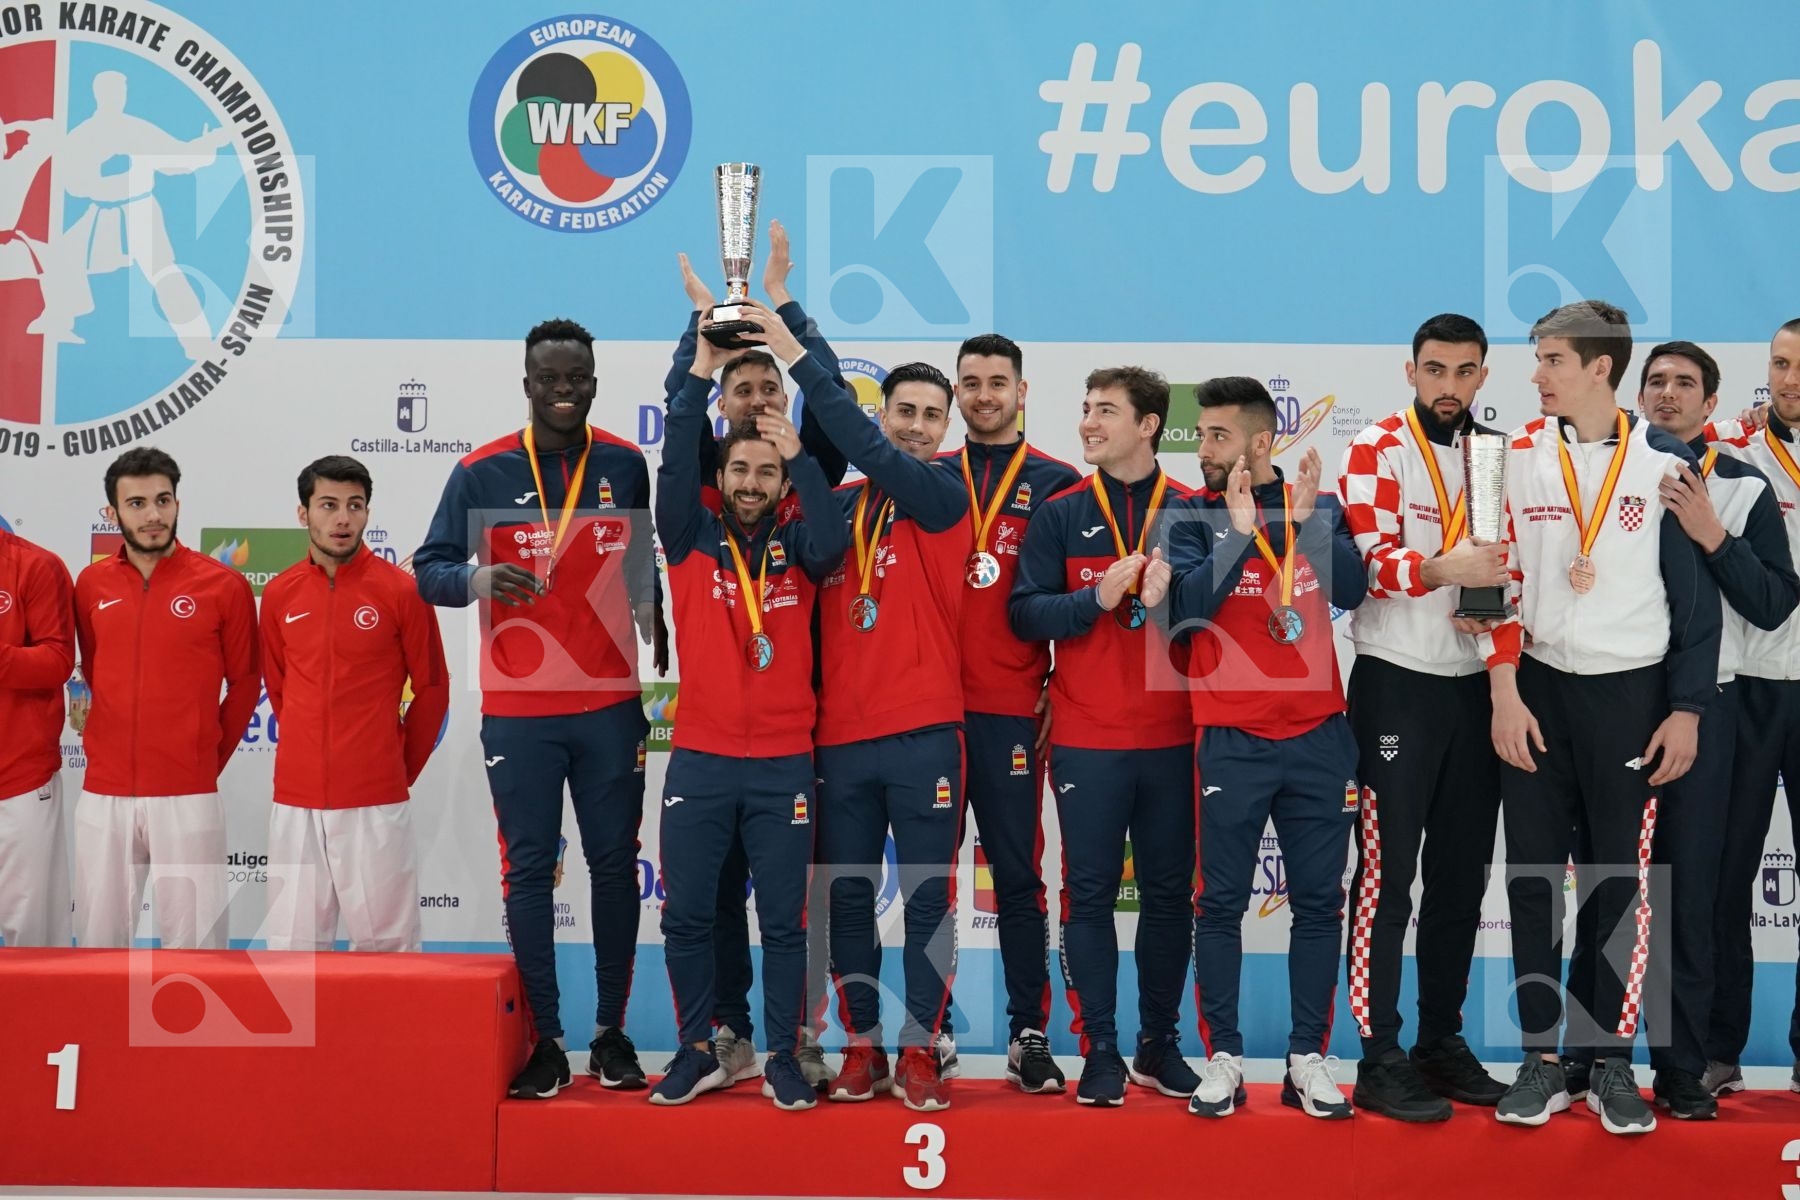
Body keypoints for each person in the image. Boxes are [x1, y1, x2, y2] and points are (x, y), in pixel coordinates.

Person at [1483, 300, 1721, 1136]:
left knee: (1621, 883)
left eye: (1550, 359)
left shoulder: (1665, 459)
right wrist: (1504, 689)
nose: (1536, 373)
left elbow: (1695, 607)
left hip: (1631, 694)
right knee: (1536, 880)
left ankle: (1611, 1062)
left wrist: (1686, 709)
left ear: (1597, 368)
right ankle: (1542, 1061)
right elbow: (1495, 580)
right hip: (1539, 688)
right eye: (1537, 358)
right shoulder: (1515, 455)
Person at [736, 291, 971, 1113]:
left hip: (926, 736)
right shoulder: (834, 510)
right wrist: (793, 316)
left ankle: (918, 1052)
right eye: (901, 411)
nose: (913, 426)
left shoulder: (944, 498)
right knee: (843, 897)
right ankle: (863, 1046)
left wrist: (796, 343)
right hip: (839, 740)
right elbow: (838, 431)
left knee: (930, 901)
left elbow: (855, 428)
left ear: (946, 430)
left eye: (929, 416)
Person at [414, 318, 659, 1100]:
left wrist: (656, 619)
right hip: (520, 708)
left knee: (616, 866)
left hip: (610, 703)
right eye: (550, 377)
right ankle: (546, 1038)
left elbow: (642, 561)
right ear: (527, 384)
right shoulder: (482, 471)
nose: (565, 389)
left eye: (577, 377)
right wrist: (474, 582)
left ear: (593, 380)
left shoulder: (624, 462)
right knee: (528, 869)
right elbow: (429, 568)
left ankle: (611, 1033)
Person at [1558, 341, 1797, 1120]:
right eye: (1655, 381)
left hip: (1708, 708)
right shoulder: (1603, 466)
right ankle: (1588, 1053)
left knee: (1689, 891)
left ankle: (1682, 1066)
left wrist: (1708, 534)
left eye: (1684, 384)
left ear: (1710, 403)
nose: (1666, 394)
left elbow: (1771, 604)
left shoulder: (1740, 486)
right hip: (1612, 701)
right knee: (1609, 884)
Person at [648, 307, 847, 1110]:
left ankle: (784, 1058)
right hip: (700, 756)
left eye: (767, 474)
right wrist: (697, 367)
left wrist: (800, 460)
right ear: (721, 477)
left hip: (782, 764)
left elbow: (831, 539)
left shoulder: (802, 549)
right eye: (741, 472)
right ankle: (698, 1048)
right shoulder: (689, 535)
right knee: (690, 915)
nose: (753, 484)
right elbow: (676, 448)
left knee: (787, 927)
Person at [1159, 377, 1366, 1120]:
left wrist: (1307, 527)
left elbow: (1354, 588)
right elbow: (1183, 613)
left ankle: (1308, 1057)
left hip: (1318, 739)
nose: (1203, 449)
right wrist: (1241, 534)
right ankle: (1223, 1058)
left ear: (1258, 440)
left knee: (1318, 904)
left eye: (1215, 435)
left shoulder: (1321, 505)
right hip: (1233, 741)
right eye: (1201, 435)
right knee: (1218, 905)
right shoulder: (1189, 514)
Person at [1335, 314, 1511, 1120]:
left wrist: (1504, 614)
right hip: (1396, 683)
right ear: (1411, 371)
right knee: (1386, 878)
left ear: (1482, 377)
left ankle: (1441, 1040)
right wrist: (1443, 567)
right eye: (1434, 370)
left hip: (1475, 686)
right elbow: (1367, 559)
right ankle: (1378, 1054)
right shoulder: (1376, 447)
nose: (1448, 386)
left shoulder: (1496, 453)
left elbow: (1510, 565)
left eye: (1464, 372)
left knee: (1460, 878)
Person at [1011, 366, 1199, 1108]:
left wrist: (1171, 595)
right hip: (1088, 737)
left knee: (1167, 897)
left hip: (1175, 734)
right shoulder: (1059, 513)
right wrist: (1096, 597)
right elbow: (1025, 615)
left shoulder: (1192, 510)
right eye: (1086, 409)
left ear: (1149, 424)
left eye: (1107, 411)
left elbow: (1220, 621)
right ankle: (1101, 1050)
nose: (1088, 422)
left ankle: (1160, 1043)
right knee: (1087, 896)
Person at [933, 332, 1081, 1093]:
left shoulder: (1059, 484)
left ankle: (1029, 1032)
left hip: (1010, 714)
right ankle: (931, 1029)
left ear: (1022, 391)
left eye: (997, 381)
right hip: (924, 714)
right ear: (956, 393)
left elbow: (1075, 599)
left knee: (1018, 877)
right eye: (971, 381)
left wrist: (1061, 684)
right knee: (929, 880)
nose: (983, 394)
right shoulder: (923, 479)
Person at [260, 456, 451, 953]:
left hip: (374, 798)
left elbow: (431, 690)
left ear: (367, 512)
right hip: (296, 801)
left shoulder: (401, 590)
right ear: (304, 514)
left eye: (354, 506)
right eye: (328, 505)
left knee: (387, 947)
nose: (342, 519)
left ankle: (387, 1034)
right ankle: (306, 1037)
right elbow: (280, 688)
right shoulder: (279, 594)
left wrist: (392, 770)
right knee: (292, 947)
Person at [72, 447, 260, 948]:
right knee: (97, 944)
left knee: (196, 948)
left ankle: (196, 1031)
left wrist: (203, 759)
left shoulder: (224, 585)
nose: (153, 514)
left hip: (188, 795)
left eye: (163, 500)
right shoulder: (90, 584)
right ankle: (97, 1031)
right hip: (104, 794)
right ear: (112, 513)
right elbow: (93, 670)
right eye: (136, 503)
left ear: (178, 503)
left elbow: (245, 684)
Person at [1698, 317, 1800, 1099]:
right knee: (1725, 875)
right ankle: (1716, 1047)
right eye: (1780, 364)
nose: (1790, 379)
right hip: (1747, 685)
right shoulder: (1724, 449)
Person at [0, 522, 75, 947]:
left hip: (18, 780)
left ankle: (43, 1016)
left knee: (34, 936)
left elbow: (57, 660)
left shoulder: (34, 564)